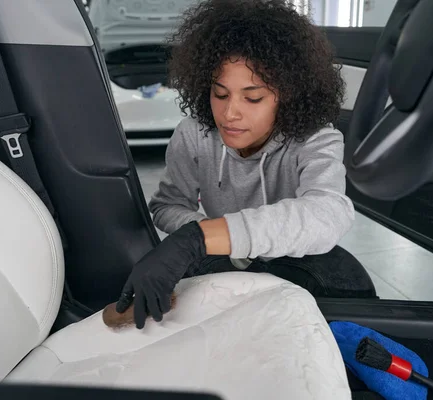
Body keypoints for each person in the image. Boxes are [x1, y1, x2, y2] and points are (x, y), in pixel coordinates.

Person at [117, 0, 376, 329]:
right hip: (222, 256)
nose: (230, 114)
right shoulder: (194, 134)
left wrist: (200, 236)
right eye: (220, 94)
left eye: (253, 98)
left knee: (348, 279)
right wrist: (216, 242)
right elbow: (168, 205)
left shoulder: (315, 139)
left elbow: (329, 213)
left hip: (294, 261)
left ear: (288, 95)